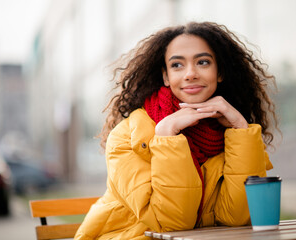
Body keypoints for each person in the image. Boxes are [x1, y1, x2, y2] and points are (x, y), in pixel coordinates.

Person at [75, 21, 277, 240]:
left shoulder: (231, 132)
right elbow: (171, 223)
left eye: (203, 62)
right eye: (177, 65)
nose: (190, 74)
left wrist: (240, 129)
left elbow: (237, 217)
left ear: (220, 73)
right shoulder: (126, 137)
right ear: (165, 76)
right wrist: (166, 134)